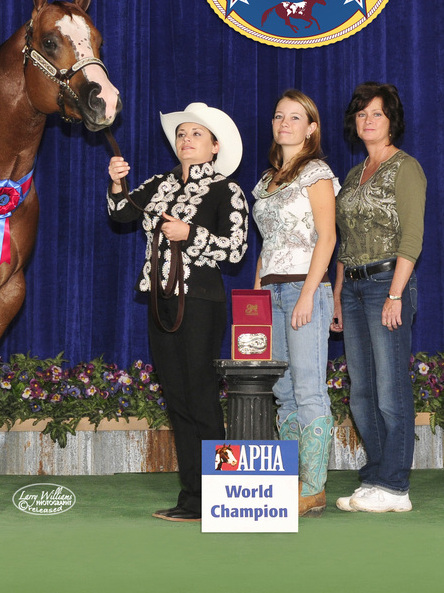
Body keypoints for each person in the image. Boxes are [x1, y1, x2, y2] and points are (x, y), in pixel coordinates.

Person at [108, 102, 247, 522]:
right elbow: (121, 214)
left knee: (202, 397)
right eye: (182, 134)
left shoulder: (228, 190)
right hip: (160, 300)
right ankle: (192, 497)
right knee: (178, 398)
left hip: (201, 301)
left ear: (215, 146)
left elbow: (236, 250)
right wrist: (117, 185)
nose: (186, 140)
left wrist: (192, 234)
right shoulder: (159, 184)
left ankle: (218, 495)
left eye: (196, 135)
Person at [332, 82, 426, 514]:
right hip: (351, 287)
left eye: (377, 114)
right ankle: (374, 478)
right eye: (362, 114)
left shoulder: (405, 168)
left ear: (392, 122)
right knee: (362, 394)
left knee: (390, 391)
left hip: (387, 283)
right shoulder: (354, 174)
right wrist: (335, 296)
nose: (368, 120)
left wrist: (395, 294)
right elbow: (342, 242)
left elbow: (412, 238)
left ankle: (395, 486)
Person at [251, 90, 339, 517]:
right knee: (282, 390)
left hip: (305, 289)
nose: (284, 122)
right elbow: (265, 247)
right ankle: (290, 477)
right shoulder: (266, 181)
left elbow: (328, 237)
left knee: (307, 387)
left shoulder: (317, 172)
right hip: (270, 290)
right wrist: (254, 303)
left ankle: (314, 486)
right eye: (278, 115)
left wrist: (308, 292)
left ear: (311, 128)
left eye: (295, 117)